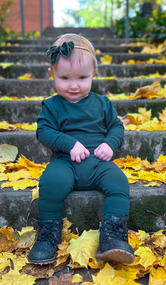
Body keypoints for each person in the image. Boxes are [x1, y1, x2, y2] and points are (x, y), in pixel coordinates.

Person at [28, 33, 135, 265]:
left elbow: (116, 126)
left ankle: (113, 236)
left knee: (119, 182)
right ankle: (47, 237)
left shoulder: (102, 103)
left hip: (99, 163)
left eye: (82, 78)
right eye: (64, 78)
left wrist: (109, 143)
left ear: (93, 75)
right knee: (51, 183)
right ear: (52, 75)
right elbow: (44, 131)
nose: (73, 85)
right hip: (65, 163)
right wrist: (69, 143)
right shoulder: (52, 105)